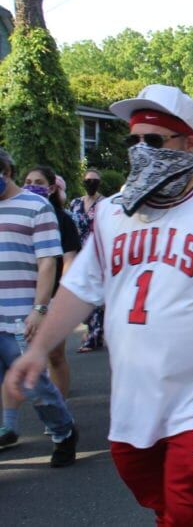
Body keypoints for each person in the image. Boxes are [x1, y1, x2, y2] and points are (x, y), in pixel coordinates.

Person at [5, 86, 193, 523]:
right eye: (134, 140)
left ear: (188, 143)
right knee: (157, 496)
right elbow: (80, 289)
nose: (140, 150)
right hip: (136, 394)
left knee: (187, 506)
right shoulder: (113, 212)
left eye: (153, 140)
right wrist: (37, 350)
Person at [0, 150, 78, 466]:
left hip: (22, 316)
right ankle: (8, 427)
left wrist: (40, 308)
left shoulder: (37, 207)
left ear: (6, 171)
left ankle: (63, 431)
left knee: (35, 385)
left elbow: (48, 261)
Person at [21, 166, 81, 397]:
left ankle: (59, 407)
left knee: (54, 355)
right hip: (21, 294)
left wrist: (60, 297)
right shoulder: (17, 215)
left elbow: (69, 259)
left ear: (52, 188)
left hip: (52, 296)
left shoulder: (62, 220)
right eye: (28, 182)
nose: (31, 186)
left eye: (38, 182)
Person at [71, 169, 106, 353]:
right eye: (88, 180)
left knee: (95, 296)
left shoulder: (105, 204)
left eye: (94, 180)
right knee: (84, 294)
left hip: (98, 254)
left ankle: (93, 337)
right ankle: (95, 331)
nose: (91, 183)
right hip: (79, 254)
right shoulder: (75, 203)